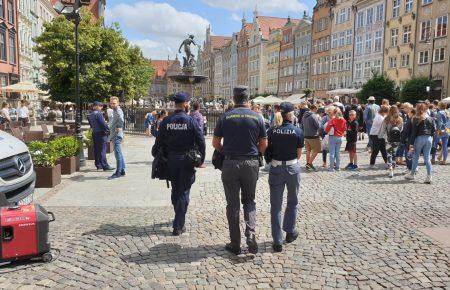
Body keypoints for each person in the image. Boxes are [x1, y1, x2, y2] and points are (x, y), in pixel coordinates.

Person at [212, 86, 268, 255]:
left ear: (234, 98)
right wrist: (255, 154)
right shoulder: (257, 117)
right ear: (247, 99)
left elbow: (215, 143)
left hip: (230, 163)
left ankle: (235, 243)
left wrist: (225, 152)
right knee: (249, 200)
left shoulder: (225, 117)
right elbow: (264, 144)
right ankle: (250, 234)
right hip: (250, 163)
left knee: (233, 204)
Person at [153, 92, 206, 236]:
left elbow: (158, 142)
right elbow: (201, 141)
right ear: (185, 104)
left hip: (171, 160)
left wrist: (156, 154)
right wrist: (201, 159)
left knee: (176, 189)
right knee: (183, 191)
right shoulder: (190, 121)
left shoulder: (166, 121)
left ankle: (178, 216)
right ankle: (178, 224)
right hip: (186, 161)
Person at [265, 102, 304, 252]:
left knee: (275, 206)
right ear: (290, 114)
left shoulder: (272, 131)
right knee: (292, 201)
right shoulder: (297, 131)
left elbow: (267, 149)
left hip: (275, 167)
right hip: (292, 167)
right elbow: (299, 154)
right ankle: (290, 232)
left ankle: (277, 240)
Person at [405, 103, 436, 183]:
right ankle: (429, 176)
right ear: (425, 109)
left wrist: (411, 144)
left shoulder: (415, 118)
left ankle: (412, 174)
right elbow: (433, 130)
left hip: (419, 138)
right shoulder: (430, 118)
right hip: (429, 138)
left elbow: (414, 132)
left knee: (416, 157)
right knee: (427, 158)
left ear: (417, 109)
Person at [88, 101, 114, 171]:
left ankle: (98, 164)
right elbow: (103, 124)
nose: (101, 107)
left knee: (96, 149)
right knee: (103, 149)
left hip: (95, 133)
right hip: (101, 133)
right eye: (100, 106)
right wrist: (108, 130)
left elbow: (91, 125)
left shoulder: (90, 114)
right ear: (96, 106)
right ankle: (105, 165)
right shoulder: (98, 114)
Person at [378, 105, 403, 177]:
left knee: (389, 154)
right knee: (394, 154)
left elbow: (383, 129)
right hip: (397, 139)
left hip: (388, 139)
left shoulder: (386, 119)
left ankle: (390, 168)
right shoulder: (400, 119)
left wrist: (380, 137)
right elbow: (401, 129)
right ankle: (394, 166)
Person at [108, 97, 126, 179]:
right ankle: (122, 170)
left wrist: (119, 126)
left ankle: (118, 172)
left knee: (117, 154)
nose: (112, 104)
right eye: (111, 103)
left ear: (118, 103)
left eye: (114, 103)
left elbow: (121, 119)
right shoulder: (115, 110)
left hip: (117, 135)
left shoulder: (118, 110)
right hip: (116, 134)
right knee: (119, 153)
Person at [302, 104, 321, 171]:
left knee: (308, 151)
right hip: (313, 136)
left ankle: (308, 164)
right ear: (314, 108)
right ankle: (309, 164)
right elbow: (318, 125)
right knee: (317, 150)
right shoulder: (313, 116)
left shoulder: (304, 115)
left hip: (306, 135)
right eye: (317, 109)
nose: (317, 110)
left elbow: (302, 125)